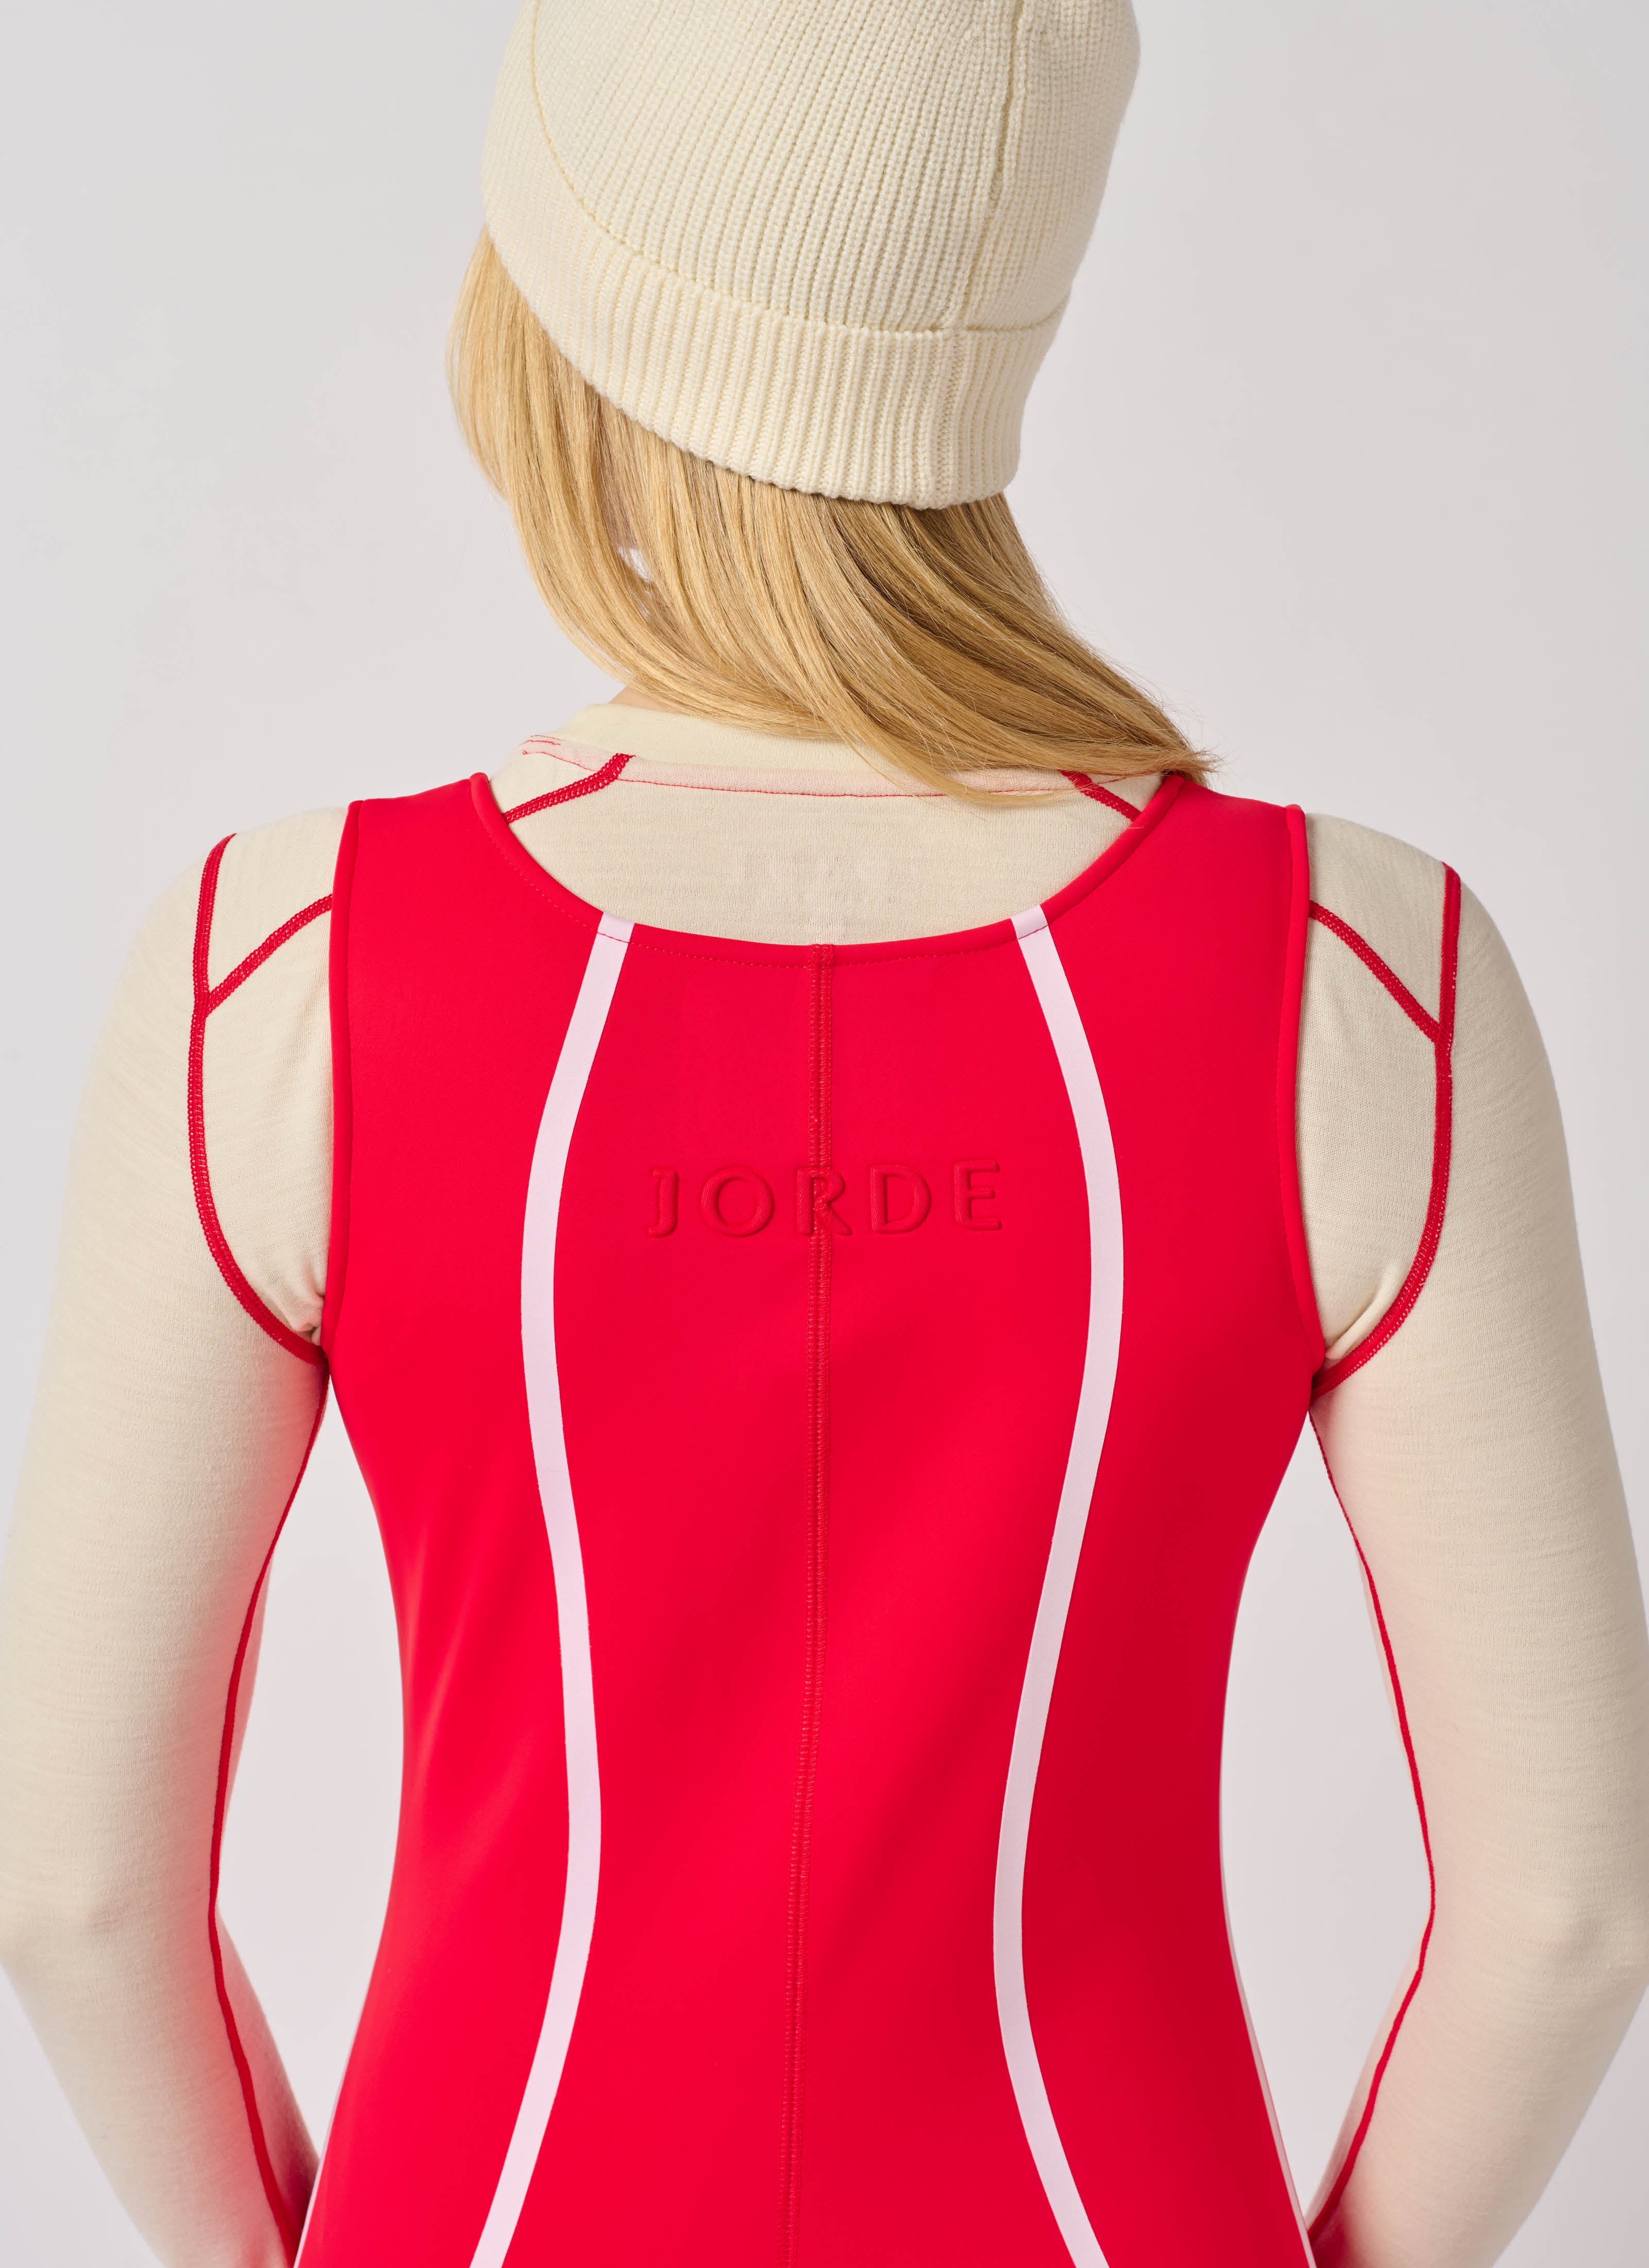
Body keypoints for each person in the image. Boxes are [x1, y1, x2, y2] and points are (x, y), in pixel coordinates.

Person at [1, 4, 1646, 2264]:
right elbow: (1566, 1908)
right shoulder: (1361, 972)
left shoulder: (278, 965)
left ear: (558, 315)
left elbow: (78, 1887)